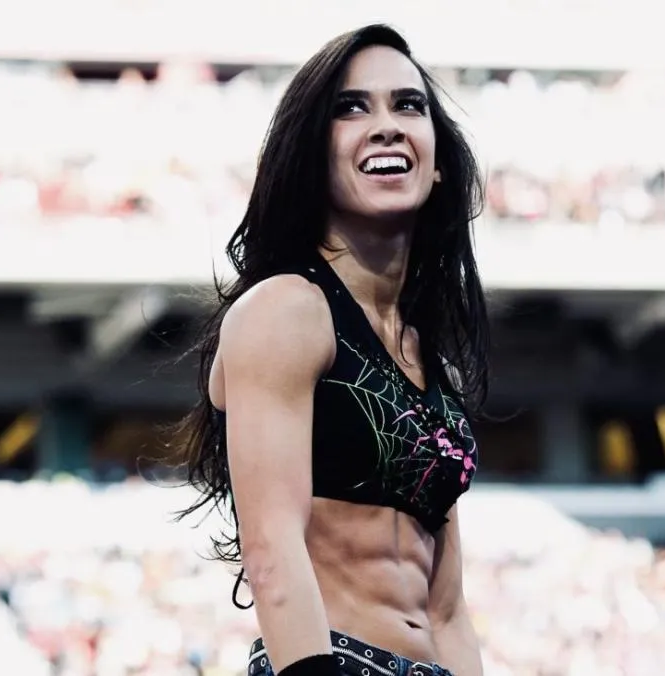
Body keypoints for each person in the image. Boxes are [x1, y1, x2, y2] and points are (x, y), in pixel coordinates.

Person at [172, 23, 490, 676]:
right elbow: (272, 549)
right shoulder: (286, 310)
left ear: (437, 164)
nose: (387, 126)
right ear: (310, 157)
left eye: (409, 105)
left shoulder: (437, 365)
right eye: (352, 108)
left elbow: (449, 609)